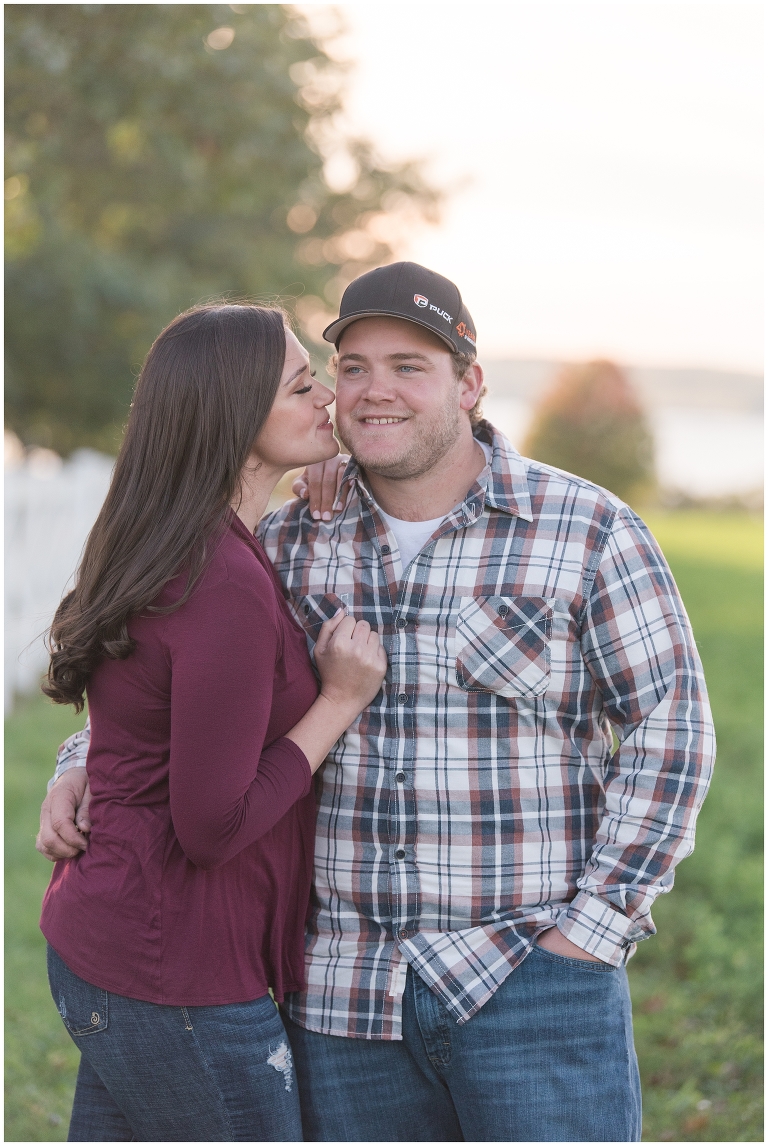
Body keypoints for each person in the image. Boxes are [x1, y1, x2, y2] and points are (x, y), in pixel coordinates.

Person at [39, 263, 715, 1143]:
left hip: (527, 978)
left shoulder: (585, 530)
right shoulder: (286, 537)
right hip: (343, 994)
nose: (372, 391)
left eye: (409, 365)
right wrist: (83, 758)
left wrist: (590, 934)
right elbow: (168, 682)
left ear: (468, 384)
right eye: (351, 366)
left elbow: (673, 729)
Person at [37, 303, 387, 1142]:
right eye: (304, 386)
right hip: (177, 975)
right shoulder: (221, 577)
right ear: (234, 413)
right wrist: (338, 702)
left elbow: (143, 718)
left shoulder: (180, 540)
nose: (327, 402)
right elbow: (213, 825)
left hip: (120, 947)